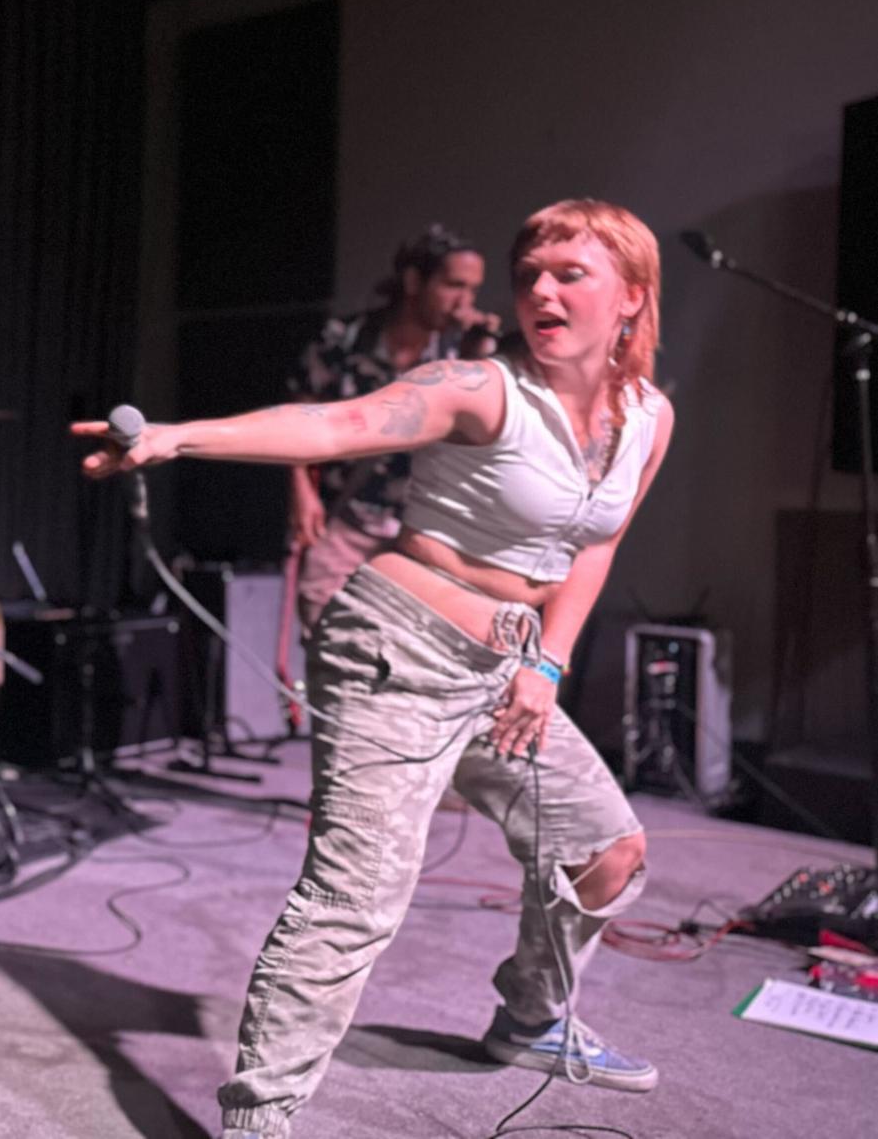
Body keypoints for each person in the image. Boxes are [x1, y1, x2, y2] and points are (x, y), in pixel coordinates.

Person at [74, 199, 672, 1139]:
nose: (540, 290)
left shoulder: (646, 417)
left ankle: (528, 1018)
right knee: (355, 901)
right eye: (531, 274)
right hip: (395, 645)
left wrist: (545, 663)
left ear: (631, 296)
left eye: (570, 273)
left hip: (507, 668)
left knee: (607, 852)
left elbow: (592, 549)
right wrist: (175, 436)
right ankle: (258, 1121)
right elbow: (335, 423)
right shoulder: (479, 386)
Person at [288, 224, 498, 628]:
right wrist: (301, 490)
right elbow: (300, 413)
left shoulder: (459, 355)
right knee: (326, 631)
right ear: (415, 280)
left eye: (472, 290)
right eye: (454, 285)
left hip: (422, 530)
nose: (463, 302)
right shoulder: (345, 340)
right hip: (345, 516)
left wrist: (480, 355)